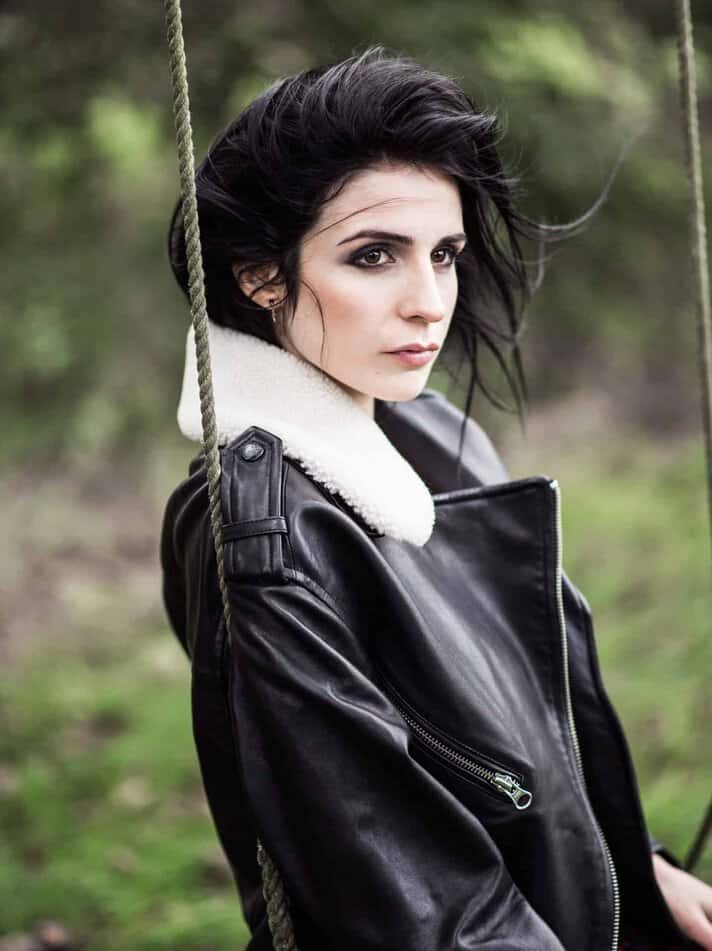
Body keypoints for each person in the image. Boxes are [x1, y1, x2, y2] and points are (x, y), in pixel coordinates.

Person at [159, 46, 712, 950]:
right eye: (374, 256)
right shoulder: (259, 524)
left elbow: (513, 746)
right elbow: (419, 907)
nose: (429, 301)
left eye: (445, 254)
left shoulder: (426, 434)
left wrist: (633, 868)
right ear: (260, 275)